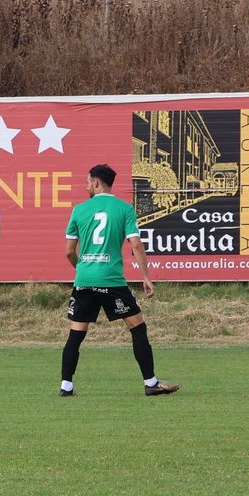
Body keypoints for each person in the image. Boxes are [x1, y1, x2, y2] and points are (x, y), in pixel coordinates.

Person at [60, 164, 179, 398]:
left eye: (87, 182)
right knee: (137, 327)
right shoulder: (125, 209)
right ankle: (151, 383)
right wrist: (146, 277)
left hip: (84, 280)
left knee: (76, 334)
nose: (86, 186)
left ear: (96, 183)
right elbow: (136, 245)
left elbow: (69, 252)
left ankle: (66, 386)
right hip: (112, 281)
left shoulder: (79, 210)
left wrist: (82, 269)